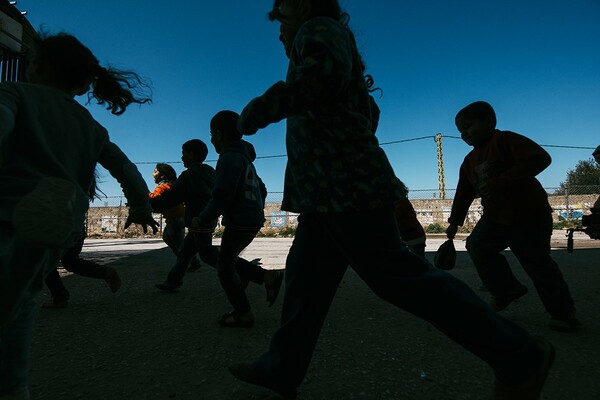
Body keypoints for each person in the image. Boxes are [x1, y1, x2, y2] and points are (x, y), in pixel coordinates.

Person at [227, 2, 554, 399]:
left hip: (347, 189)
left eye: (281, 20)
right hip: (325, 198)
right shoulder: (331, 44)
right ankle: (281, 366)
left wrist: (255, 112)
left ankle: (521, 356)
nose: (279, 32)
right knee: (305, 281)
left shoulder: (318, 29)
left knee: (399, 277)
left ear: (302, 7)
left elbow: (315, 83)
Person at [0, 32, 158, 399]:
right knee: (23, 302)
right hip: (61, 223)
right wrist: (140, 206)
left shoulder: (15, 93)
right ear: (86, 81)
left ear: (35, 66)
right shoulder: (91, 124)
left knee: (13, 286)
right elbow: (126, 168)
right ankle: (13, 385)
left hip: (7, 206)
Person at [445, 100, 579, 333]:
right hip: (495, 218)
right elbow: (463, 193)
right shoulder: (468, 162)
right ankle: (506, 289)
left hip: (529, 215)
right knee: (477, 245)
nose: (464, 135)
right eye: (460, 131)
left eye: (468, 127)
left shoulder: (505, 140)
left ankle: (563, 314)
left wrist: (501, 181)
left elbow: (540, 158)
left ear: (489, 121)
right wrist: (454, 222)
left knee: (537, 264)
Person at [151, 140, 282, 316]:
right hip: (208, 218)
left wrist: (146, 204)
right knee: (186, 251)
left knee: (214, 258)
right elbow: (258, 189)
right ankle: (173, 280)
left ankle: (258, 277)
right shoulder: (211, 172)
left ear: (191, 154)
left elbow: (171, 199)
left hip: (201, 219)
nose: (182, 156)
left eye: (184, 152)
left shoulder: (191, 175)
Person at [191, 110, 283, 327]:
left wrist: (203, 219)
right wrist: (254, 206)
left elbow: (221, 195)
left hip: (240, 220)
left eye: (212, 134)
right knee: (227, 259)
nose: (211, 139)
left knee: (224, 266)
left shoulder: (228, 158)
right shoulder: (245, 159)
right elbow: (262, 188)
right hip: (251, 219)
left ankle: (243, 313)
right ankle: (266, 278)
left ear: (219, 134)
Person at [150, 163, 202, 270]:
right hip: (177, 217)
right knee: (168, 238)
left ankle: (184, 264)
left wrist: (144, 195)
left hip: (175, 219)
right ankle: (191, 260)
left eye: (155, 171)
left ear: (162, 175)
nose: (152, 174)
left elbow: (155, 198)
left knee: (179, 244)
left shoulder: (162, 187)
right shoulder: (173, 185)